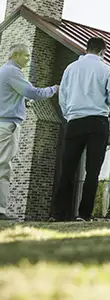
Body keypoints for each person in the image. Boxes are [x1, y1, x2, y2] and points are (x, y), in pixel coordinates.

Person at [52, 37, 110, 222]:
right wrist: (101, 101)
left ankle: (59, 214)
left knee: (67, 169)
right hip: (97, 121)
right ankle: (84, 214)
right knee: (92, 170)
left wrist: (69, 114)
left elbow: (63, 95)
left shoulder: (71, 68)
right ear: (102, 51)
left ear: (86, 49)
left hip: (75, 121)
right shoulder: (106, 69)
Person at [0, 44, 59, 220]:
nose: (28, 58)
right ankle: (0, 211)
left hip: (3, 123)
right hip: (7, 126)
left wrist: (21, 103)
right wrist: (54, 89)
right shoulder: (13, 72)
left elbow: (11, 97)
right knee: (3, 167)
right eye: (25, 56)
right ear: (16, 55)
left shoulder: (4, 71)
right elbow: (33, 93)